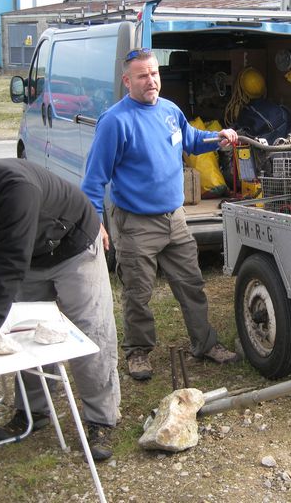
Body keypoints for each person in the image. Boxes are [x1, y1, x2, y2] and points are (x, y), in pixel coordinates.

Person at [0, 148, 121, 461]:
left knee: (90, 331)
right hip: (28, 255)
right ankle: (34, 412)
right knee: (25, 334)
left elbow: (11, 265)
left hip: (72, 247)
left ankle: (101, 419)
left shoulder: (16, 190)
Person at [81, 47, 240, 381]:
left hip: (175, 218)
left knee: (192, 285)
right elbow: (94, 180)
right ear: (127, 81)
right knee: (138, 293)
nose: (151, 80)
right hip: (136, 224)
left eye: (154, 73)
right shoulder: (115, 122)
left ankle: (205, 344)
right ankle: (138, 352)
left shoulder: (169, 110)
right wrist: (96, 224)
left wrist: (218, 140)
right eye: (142, 75)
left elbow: (191, 140)